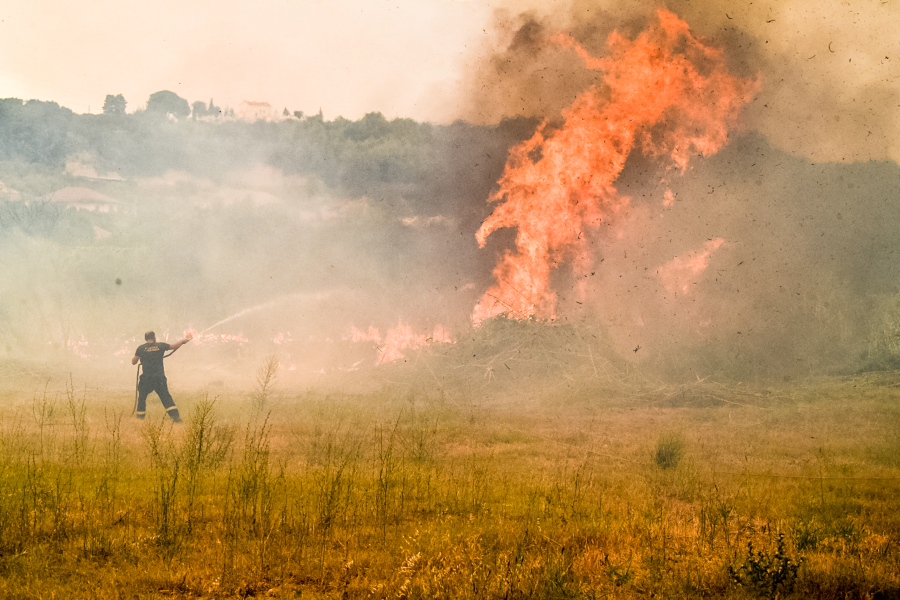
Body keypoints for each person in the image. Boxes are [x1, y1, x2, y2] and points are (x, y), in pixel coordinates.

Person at [132, 330, 192, 422]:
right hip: (159, 378)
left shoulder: (141, 348)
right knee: (165, 397)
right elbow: (174, 346)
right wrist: (183, 341)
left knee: (142, 398)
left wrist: (141, 357)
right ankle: (176, 418)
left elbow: (134, 362)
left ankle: (140, 418)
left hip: (146, 378)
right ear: (154, 337)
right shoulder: (160, 346)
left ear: (145, 338)